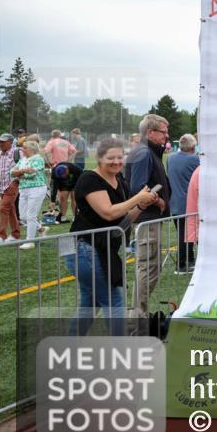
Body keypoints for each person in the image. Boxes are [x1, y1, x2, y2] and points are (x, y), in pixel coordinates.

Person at [67, 137, 158, 335]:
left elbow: (124, 219)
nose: (117, 162)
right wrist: (137, 198)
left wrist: (141, 205)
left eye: (120, 157)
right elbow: (107, 212)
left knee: (89, 307)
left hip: (102, 249)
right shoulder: (89, 179)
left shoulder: (120, 181)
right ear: (99, 158)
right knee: (115, 301)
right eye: (111, 158)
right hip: (86, 249)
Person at [124, 114, 171, 315]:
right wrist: (158, 199)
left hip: (151, 219)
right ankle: (137, 314)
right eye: (163, 132)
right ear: (150, 132)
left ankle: (138, 312)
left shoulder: (148, 151)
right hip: (147, 219)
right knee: (147, 267)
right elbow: (137, 187)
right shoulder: (143, 152)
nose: (167, 136)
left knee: (152, 268)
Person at [167, 133, 200, 274]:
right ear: (193, 147)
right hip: (189, 203)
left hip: (174, 202)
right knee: (186, 236)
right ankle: (181, 265)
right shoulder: (195, 159)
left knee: (183, 234)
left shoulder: (170, 158)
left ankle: (190, 260)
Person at [11, 141, 48, 249]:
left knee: (31, 216)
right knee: (23, 216)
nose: (22, 150)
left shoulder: (38, 159)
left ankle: (30, 241)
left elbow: (31, 173)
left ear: (31, 149)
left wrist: (20, 172)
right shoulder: (23, 160)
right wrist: (21, 172)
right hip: (23, 189)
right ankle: (41, 229)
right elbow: (11, 172)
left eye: (24, 148)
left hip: (37, 189)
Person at [43, 130, 77, 223]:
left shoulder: (51, 142)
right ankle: (74, 217)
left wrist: (49, 162)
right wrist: (68, 160)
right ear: (60, 135)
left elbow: (45, 152)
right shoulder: (66, 142)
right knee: (73, 196)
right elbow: (74, 151)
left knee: (62, 195)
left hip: (56, 168)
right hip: (68, 168)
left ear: (52, 135)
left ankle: (63, 216)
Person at [0, 133, 21, 243]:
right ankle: (15, 234)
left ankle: (1, 235)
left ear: (10, 142)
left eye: (2, 141)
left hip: (12, 183)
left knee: (3, 208)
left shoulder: (18, 152)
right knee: (10, 209)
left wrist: (17, 180)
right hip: (1, 185)